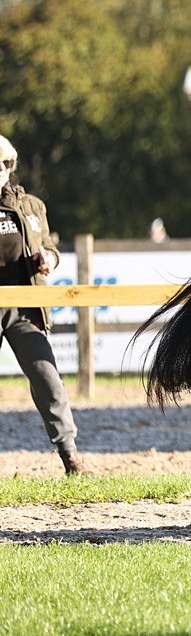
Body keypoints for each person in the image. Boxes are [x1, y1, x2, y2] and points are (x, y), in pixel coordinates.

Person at [0, 135, 88, 475]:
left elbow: (50, 245)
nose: (1, 169)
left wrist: (49, 257)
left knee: (48, 379)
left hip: (25, 306)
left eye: (6, 163)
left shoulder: (33, 205)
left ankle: (71, 458)